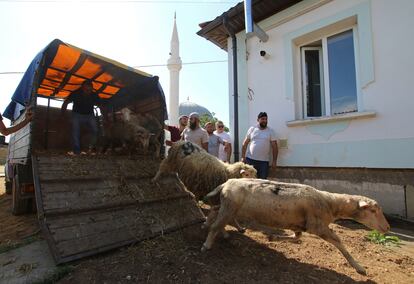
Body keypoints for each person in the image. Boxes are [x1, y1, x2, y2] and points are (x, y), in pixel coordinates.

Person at [61, 80, 101, 155]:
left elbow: (101, 106)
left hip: (90, 115)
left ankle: (90, 148)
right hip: (77, 114)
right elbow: (66, 103)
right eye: (86, 90)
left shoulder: (94, 95)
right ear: (82, 88)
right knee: (75, 131)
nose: (88, 91)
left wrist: (105, 118)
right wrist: (63, 115)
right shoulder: (75, 93)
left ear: (92, 89)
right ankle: (76, 150)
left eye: (90, 90)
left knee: (95, 130)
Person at [241, 112, 278, 179]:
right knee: (249, 181)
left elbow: (274, 147)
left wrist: (274, 161)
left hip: (263, 162)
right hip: (250, 160)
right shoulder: (252, 129)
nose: (265, 121)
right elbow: (245, 143)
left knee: (262, 182)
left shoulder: (270, 131)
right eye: (262, 119)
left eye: (266, 119)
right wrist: (243, 157)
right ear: (258, 120)